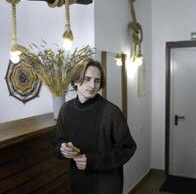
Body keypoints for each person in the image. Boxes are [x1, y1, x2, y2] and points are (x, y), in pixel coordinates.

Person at [51, 59, 137, 194]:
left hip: (106, 184)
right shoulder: (65, 110)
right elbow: (57, 141)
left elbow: (128, 148)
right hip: (77, 181)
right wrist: (63, 149)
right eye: (87, 79)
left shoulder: (111, 112)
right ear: (75, 81)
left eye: (97, 81)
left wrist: (92, 161)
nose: (92, 85)